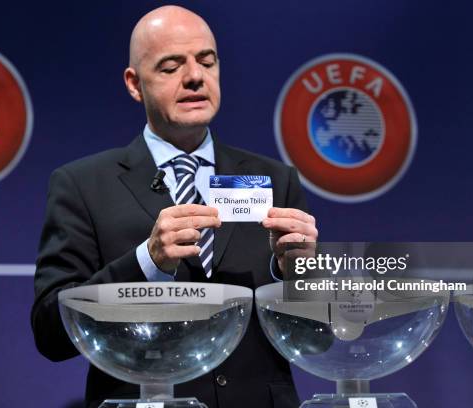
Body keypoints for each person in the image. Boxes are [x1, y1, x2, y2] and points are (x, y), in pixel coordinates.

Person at [31, 5, 317, 408]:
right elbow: (50, 333)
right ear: (134, 84)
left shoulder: (276, 179)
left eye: (207, 61)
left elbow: (315, 341)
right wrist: (146, 262)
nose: (195, 76)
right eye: (170, 66)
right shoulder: (81, 185)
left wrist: (301, 274)